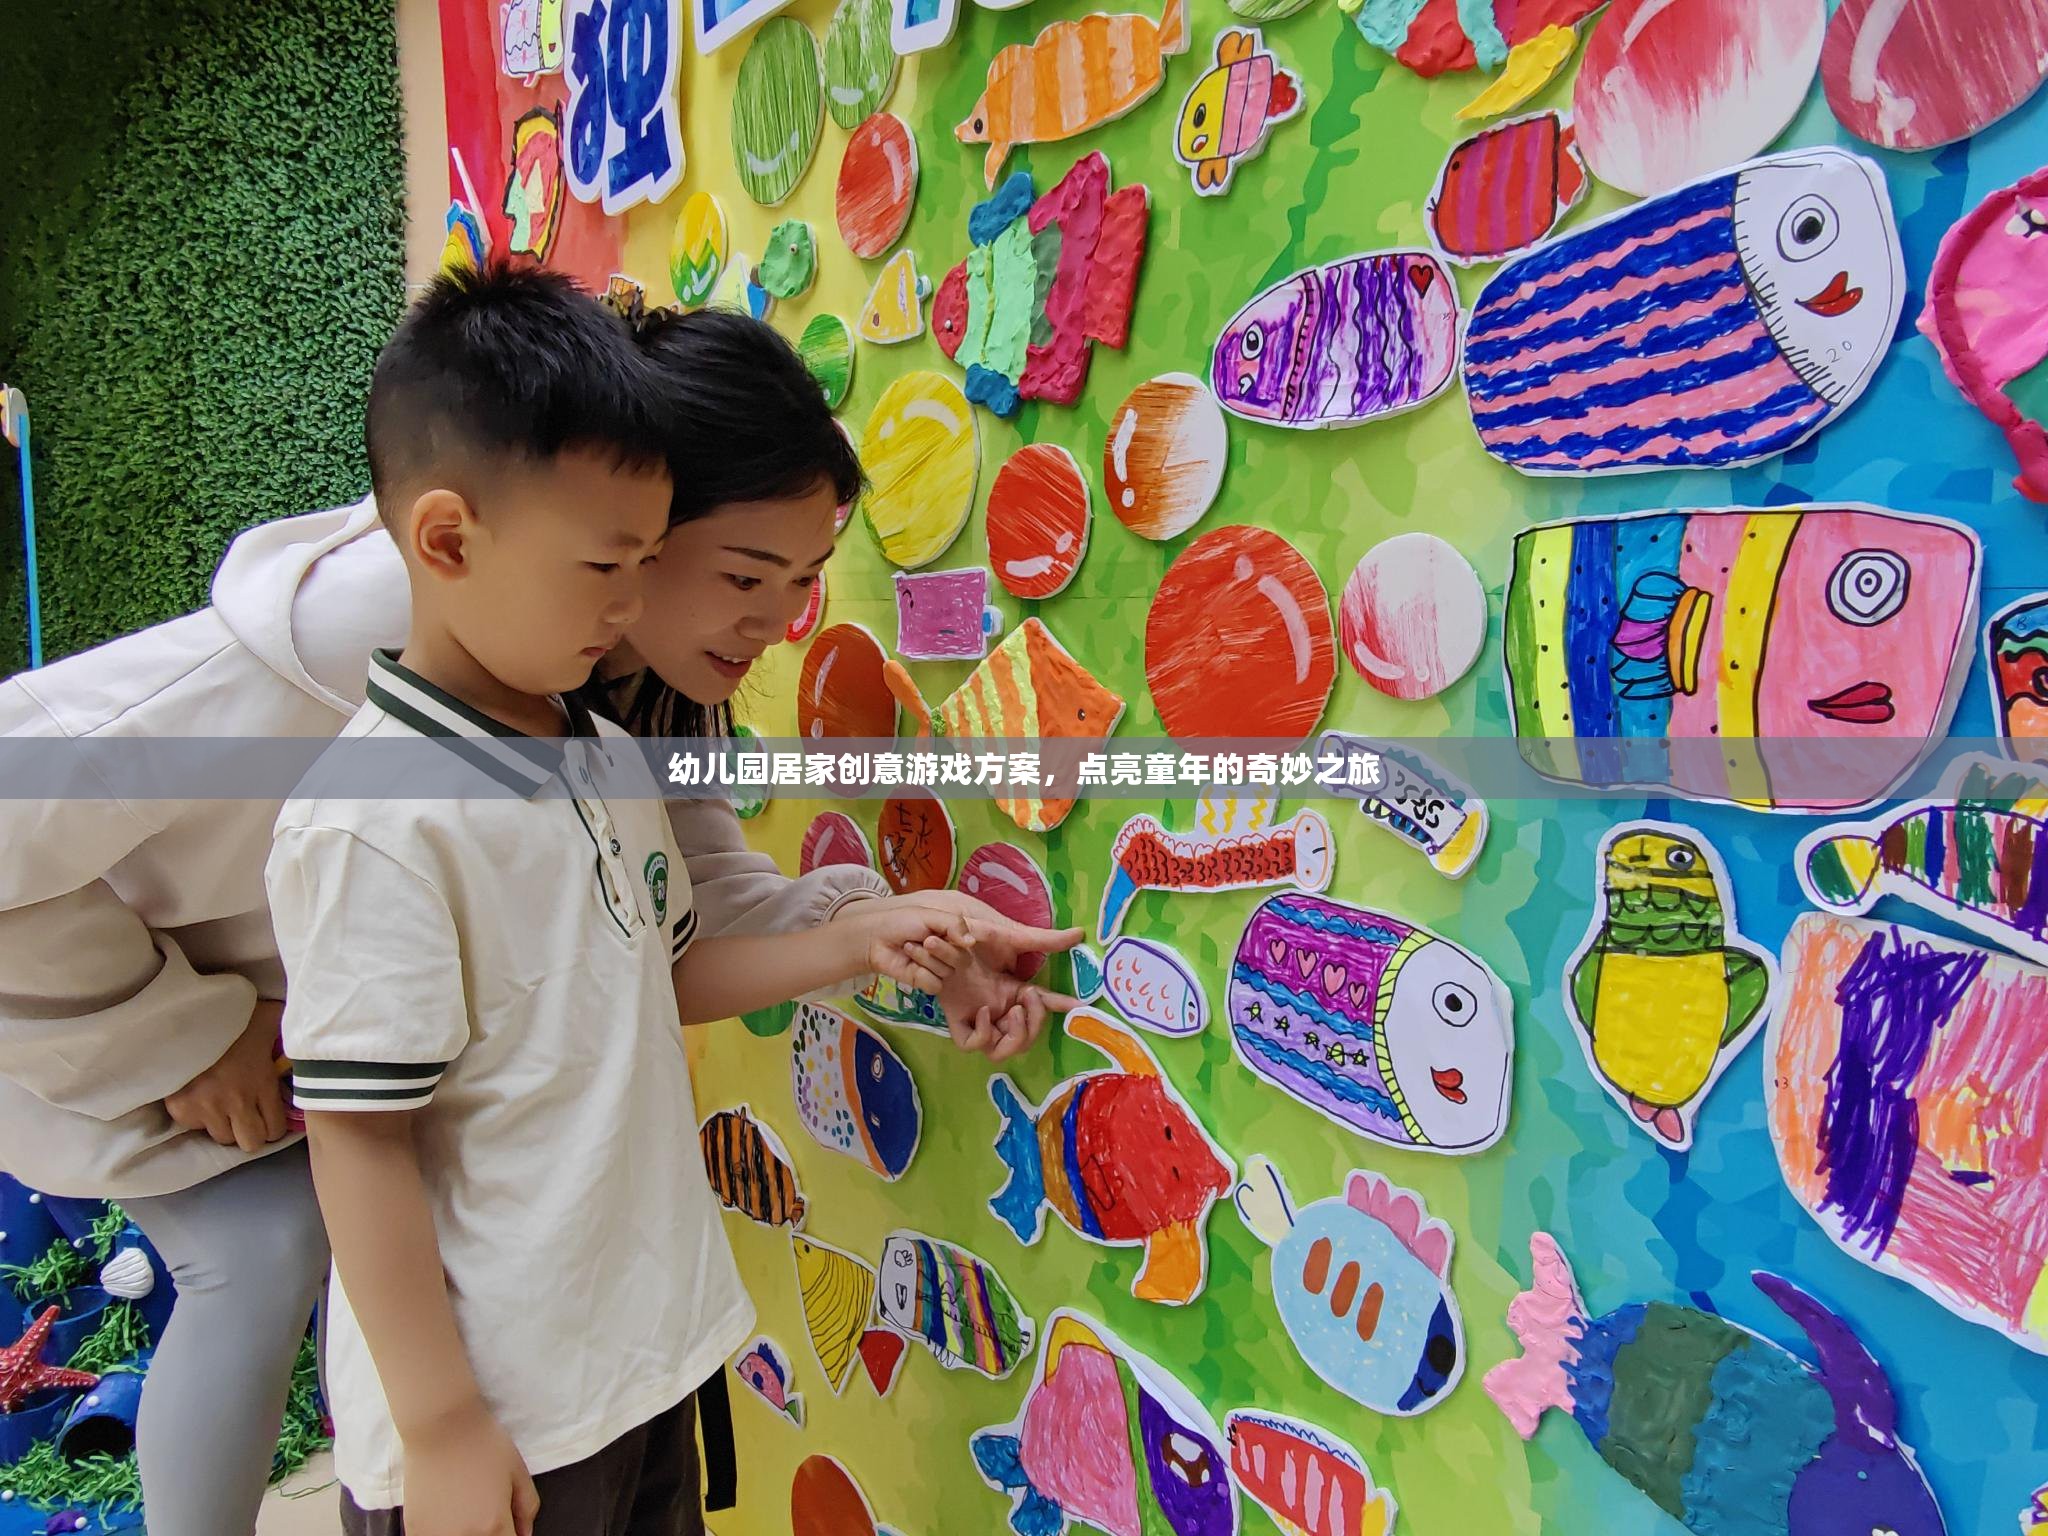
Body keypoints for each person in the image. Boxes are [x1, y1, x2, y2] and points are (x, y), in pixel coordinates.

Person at [0, 276, 1054, 1536]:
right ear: (638, 529)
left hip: (560, 1295)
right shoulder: (398, 674)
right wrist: (174, 1030)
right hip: (111, 1013)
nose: (779, 623)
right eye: (746, 575)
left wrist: (901, 932)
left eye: (808, 581)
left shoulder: (598, 706)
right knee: (268, 1254)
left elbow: (679, 920)